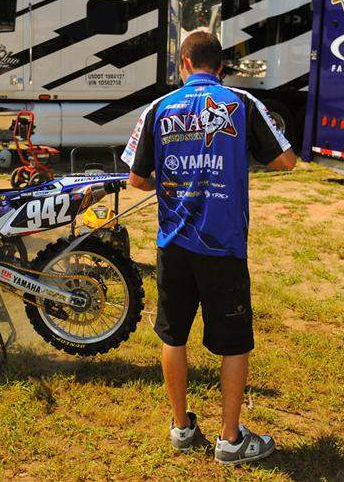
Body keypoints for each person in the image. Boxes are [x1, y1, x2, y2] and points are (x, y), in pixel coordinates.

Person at [123, 30, 296, 465]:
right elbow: (286, 160)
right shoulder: (241, 103)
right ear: (221, 67)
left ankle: (182, 427)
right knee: (234, 343)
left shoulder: (158, 109)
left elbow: (136, 180)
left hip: (174, 243)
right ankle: (230, 439)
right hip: (223, 246)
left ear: (182, 64)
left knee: (173, 334)